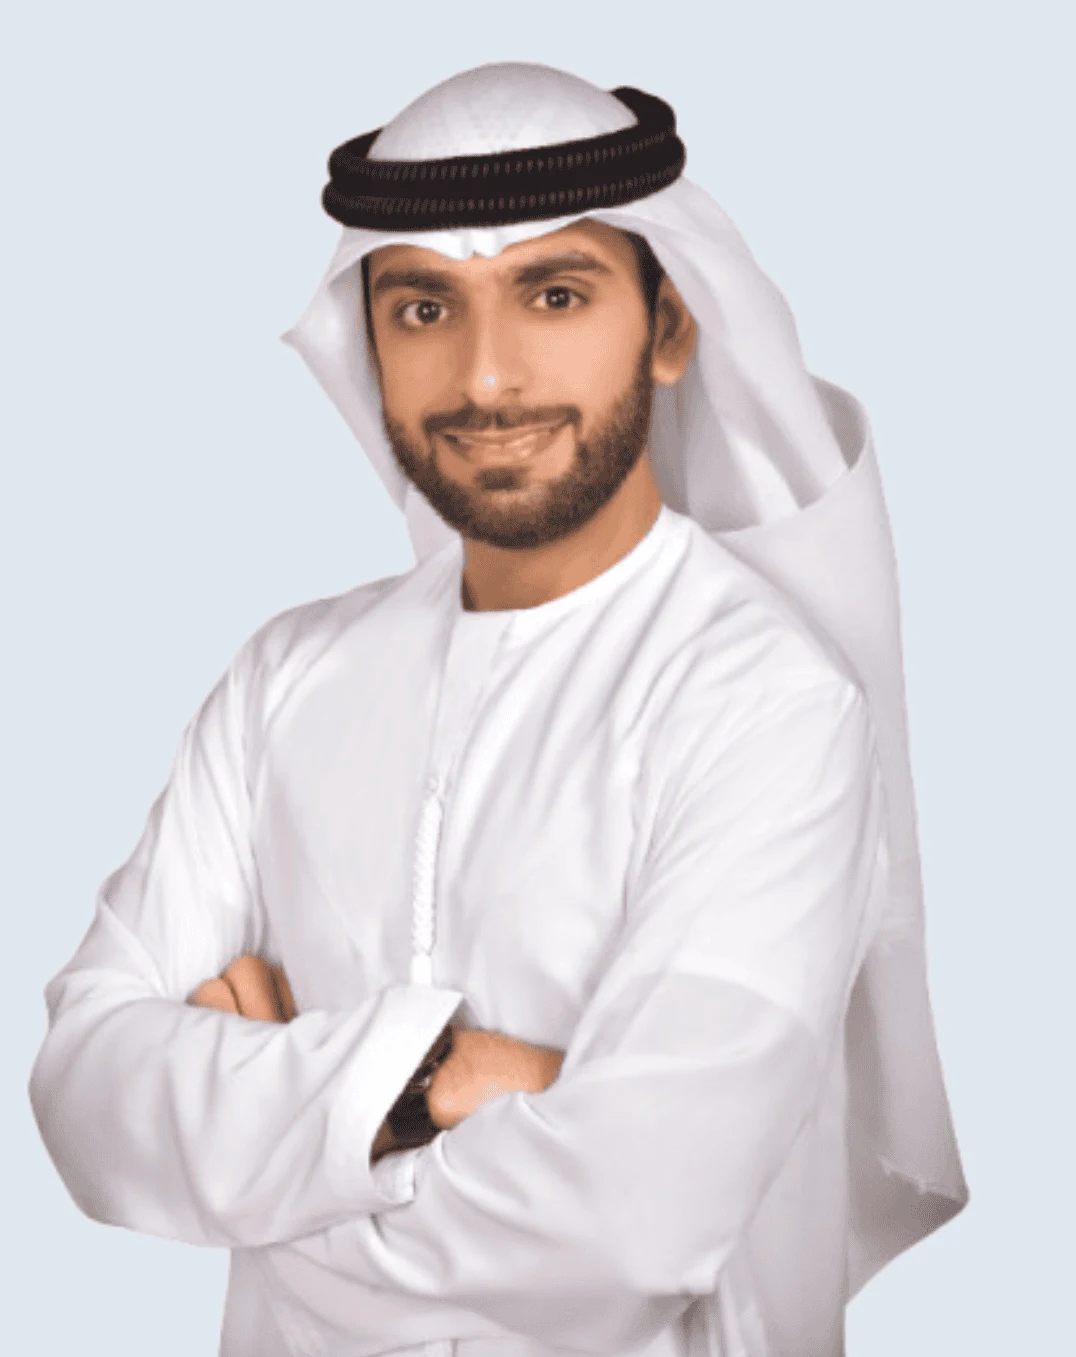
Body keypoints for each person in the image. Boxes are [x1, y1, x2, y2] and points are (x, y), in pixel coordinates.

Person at [28, 62, 968, 1357]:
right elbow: (85, 1092)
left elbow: (637, 1222)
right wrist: (442, 1081)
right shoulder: (282, 680)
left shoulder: (769, 703)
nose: (484, 379)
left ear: (670, 327)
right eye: (424, 308)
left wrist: (277, 1148)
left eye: (555, 295)